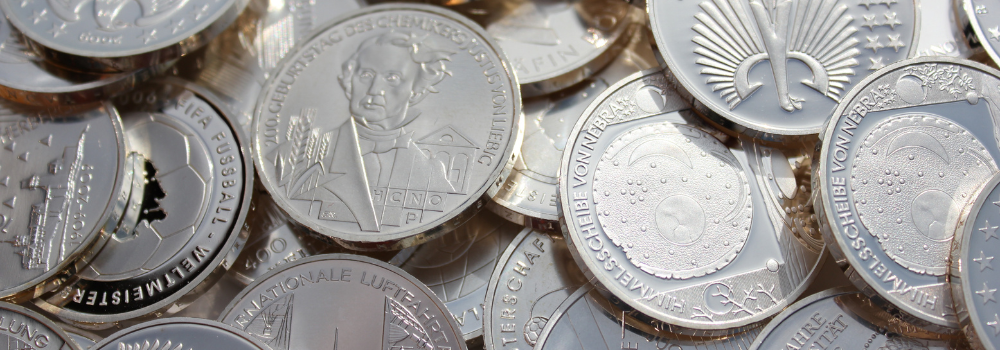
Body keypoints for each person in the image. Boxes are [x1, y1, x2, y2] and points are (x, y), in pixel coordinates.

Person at [279, 31, 465, 232]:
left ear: (416, 91)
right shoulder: (299, 154)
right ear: (350, 81)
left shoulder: (432, 172)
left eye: (392, 77)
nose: (375, 89)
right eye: (366, 75)